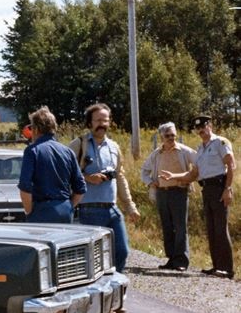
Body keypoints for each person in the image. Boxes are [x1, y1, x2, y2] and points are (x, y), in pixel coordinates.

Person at [68, 103, 140, 273]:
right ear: (89, 122)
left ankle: (115, 289)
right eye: (98, 120)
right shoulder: (78, 145)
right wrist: (87, 178)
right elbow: (65, 174)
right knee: (93, 259)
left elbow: (120, 177)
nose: (102, 124)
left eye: (105, 120)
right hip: (88, 210)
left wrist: (130, 206)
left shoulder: (114, 147)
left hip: (112, 209)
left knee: (122, 252)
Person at [141, 122, 197, 271]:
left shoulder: (185, 151)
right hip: (162, 194)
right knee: (167, 227)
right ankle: (171, 259)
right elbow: (144, 171)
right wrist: (150, 183)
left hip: (179, 192)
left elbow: (199, 163)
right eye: (167, 136)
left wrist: (190, 178)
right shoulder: (156, 154)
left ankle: (181, 261)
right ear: (161, 137)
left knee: (180, 227)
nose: (171, 138)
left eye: (173, 135)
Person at [18, 106, 86, 224]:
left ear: (36, 129)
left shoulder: (32, 151)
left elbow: (25, 187)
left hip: (41, 210)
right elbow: (80, 188)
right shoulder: (67, 151)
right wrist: (69, 206)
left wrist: (29, 211)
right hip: (65, 209)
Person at [188, 115, 235, 278]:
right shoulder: (200, 148)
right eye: (198, 128)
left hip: (219, 187)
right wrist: (174, 177)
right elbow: (194, 173)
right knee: (212, 229)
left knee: (221, 229)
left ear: (210, 125)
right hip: (206, 190)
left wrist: (228, 188)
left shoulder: (220, 142)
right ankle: (216, 266)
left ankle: (227, 269)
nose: (201, 130)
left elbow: (231, 164)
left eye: (204, 126)